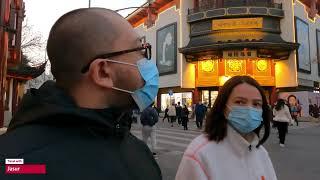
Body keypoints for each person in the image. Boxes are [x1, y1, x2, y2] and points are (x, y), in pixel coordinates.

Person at [0, 8, 162, 180]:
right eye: (139, 50)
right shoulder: (15, 165)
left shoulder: (138, 151)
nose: (146, 61)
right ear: (102, 72)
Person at [176, 76, 276, 180]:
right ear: (223, 107)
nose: (249, 109)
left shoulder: (261, 153)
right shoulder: (200, 154)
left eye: (256, 104)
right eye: (240, 102)